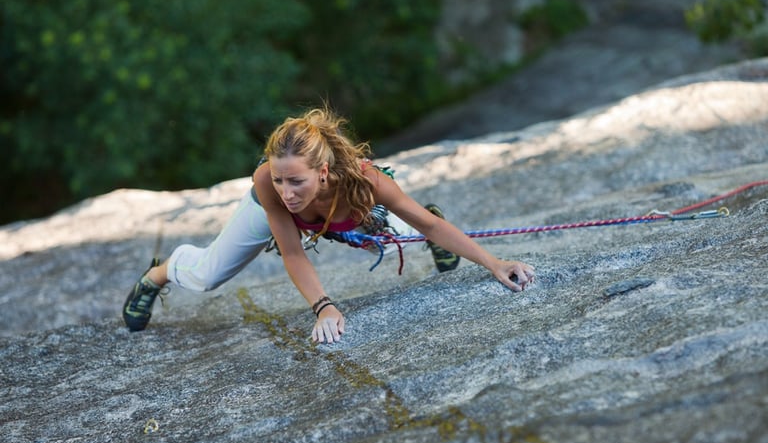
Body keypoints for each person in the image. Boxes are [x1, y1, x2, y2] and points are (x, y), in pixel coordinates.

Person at [122, 107, 535, 343]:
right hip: (282, 222)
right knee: (205, 277)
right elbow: (292, 252)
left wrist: (494, 264)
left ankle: (403, 233)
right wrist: (324, 306)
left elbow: (428, 223)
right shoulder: (269, 185)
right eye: (280, 178)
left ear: (322, 171)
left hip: (345, 211)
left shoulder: (367, 182)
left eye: (295, 180)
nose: (286, 190)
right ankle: (157, 274)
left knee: (400, 234)